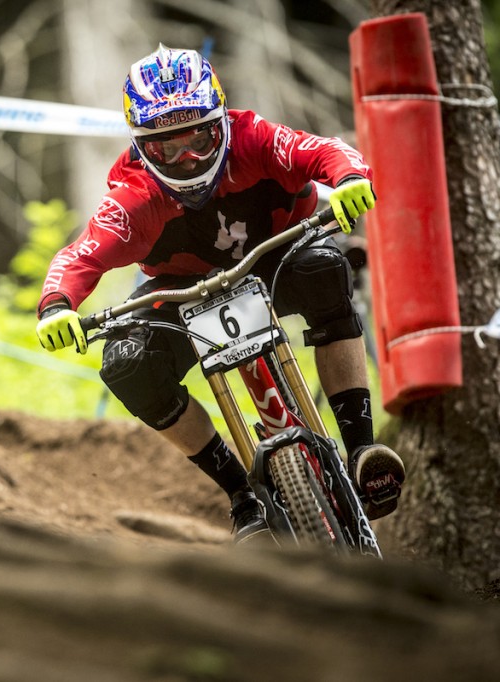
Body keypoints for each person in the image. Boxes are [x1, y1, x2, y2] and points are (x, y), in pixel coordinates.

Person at [34, 45, 405, 545]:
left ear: (221, 123)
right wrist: (57, 307)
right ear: (142, 147)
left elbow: (324, 150)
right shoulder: (135, 194)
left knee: (324, 267)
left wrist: (351, 178)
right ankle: (241, 494)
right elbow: (79, 256)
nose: (186, 160)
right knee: (127, 364)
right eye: (167, 148)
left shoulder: (255, 138)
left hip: (275, 251)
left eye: (199, 140)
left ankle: (362, 450)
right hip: (181, 286)